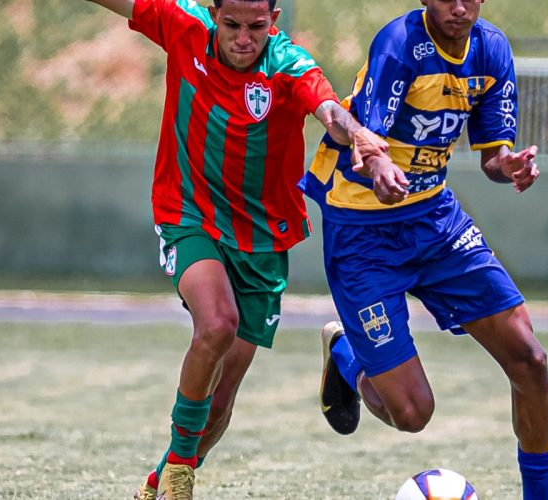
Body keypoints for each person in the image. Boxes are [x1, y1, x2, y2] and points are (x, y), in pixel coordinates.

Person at [84, 0, 388, 499]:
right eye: (232, 25)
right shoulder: (182, 27)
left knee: (220, 402)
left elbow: (328, 109)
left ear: (275, 20)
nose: (244, 38)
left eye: (256, 27)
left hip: (263, 239)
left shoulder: (288, 66)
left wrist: (358, 137)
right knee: (217, 324)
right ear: (213, 12)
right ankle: (182, 472)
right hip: (189, 213)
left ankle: (158, 482)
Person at [300, 1, 548, 499]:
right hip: (362, 231)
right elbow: (365, 138)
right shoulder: (399, 44)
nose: (458, 8)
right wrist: (377, 167)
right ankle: (348, 355)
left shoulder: (492, 49)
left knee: (531, 360)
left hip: (435, 219)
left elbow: (490, 155)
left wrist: (509, 166)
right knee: (413, 414)